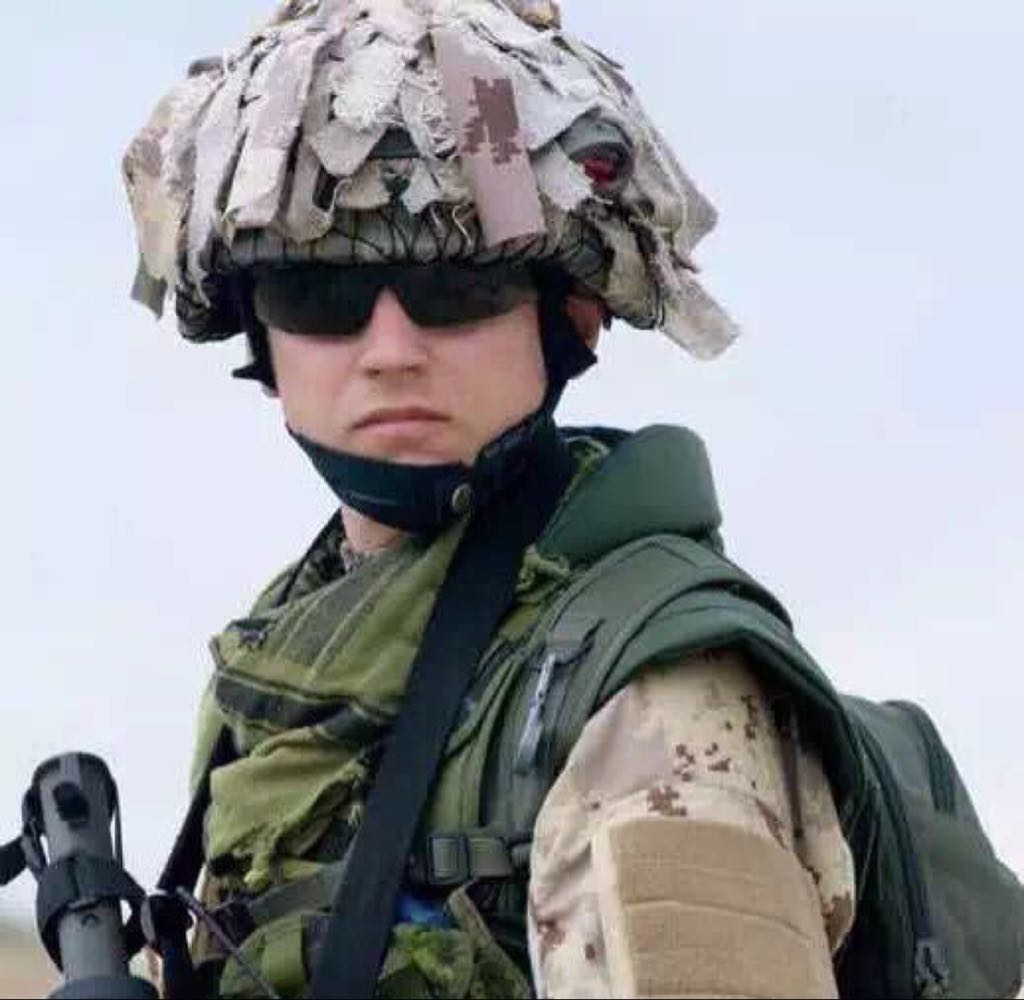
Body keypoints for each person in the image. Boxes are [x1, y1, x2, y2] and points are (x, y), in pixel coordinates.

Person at [123, 1, 858, 996]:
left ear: (572, 319)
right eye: (320, 298)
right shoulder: (277, 650)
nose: (390, 351)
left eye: (457, 289)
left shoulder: (648, 682)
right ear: (263, 339)